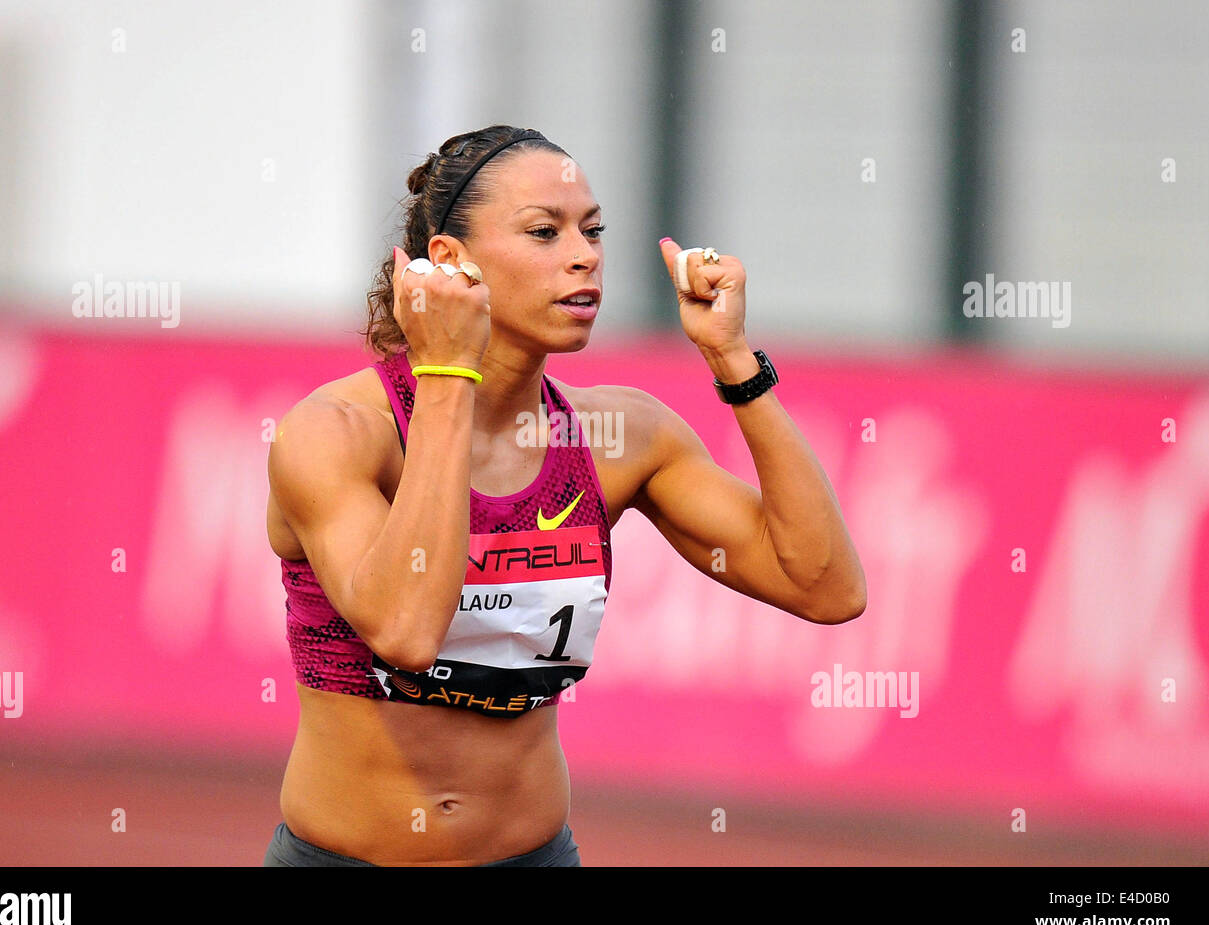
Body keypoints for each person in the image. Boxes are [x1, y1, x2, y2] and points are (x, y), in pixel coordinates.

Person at [262, 124, 866, 867]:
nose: (584, 254)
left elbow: (826, 585)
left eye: (593, 229)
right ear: (451, 261)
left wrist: (734, 361)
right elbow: (408, 633)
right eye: (544, 232)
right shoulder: (337, 433)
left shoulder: (622, 437)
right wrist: (450, 376)